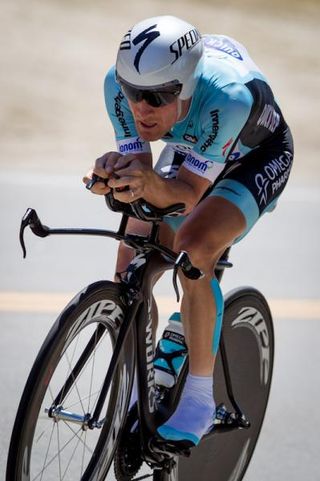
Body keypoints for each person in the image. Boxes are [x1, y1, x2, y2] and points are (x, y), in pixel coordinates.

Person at [83, 15, 294, 449]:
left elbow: (187, 195)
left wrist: (145, 185)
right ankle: (140, 388)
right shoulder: (117, 85)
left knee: (195, 250)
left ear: (186, 87)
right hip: (196, 146)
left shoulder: (228, 97)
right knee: (130, 257)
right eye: (133, 92)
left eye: (158, 97)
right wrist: (117, 175)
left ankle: (198, 399)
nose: (141, 107)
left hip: (254, 155)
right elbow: (142, 177)